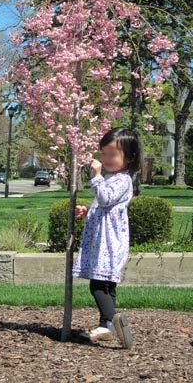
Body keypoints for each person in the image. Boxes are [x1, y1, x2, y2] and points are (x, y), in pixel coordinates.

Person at [73, 127, 142, 349]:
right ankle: (106, 326)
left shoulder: (122, 180)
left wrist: (96, 176)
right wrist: (87, 212)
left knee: (98, 286)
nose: (106, 160)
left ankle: (113, 320)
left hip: (109, 244)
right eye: (104, 154)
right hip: (106, 240)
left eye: (113, 155)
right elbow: (102, 207)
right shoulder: (113, 178)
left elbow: (105, 199)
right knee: (107, 285)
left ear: (129, 158)